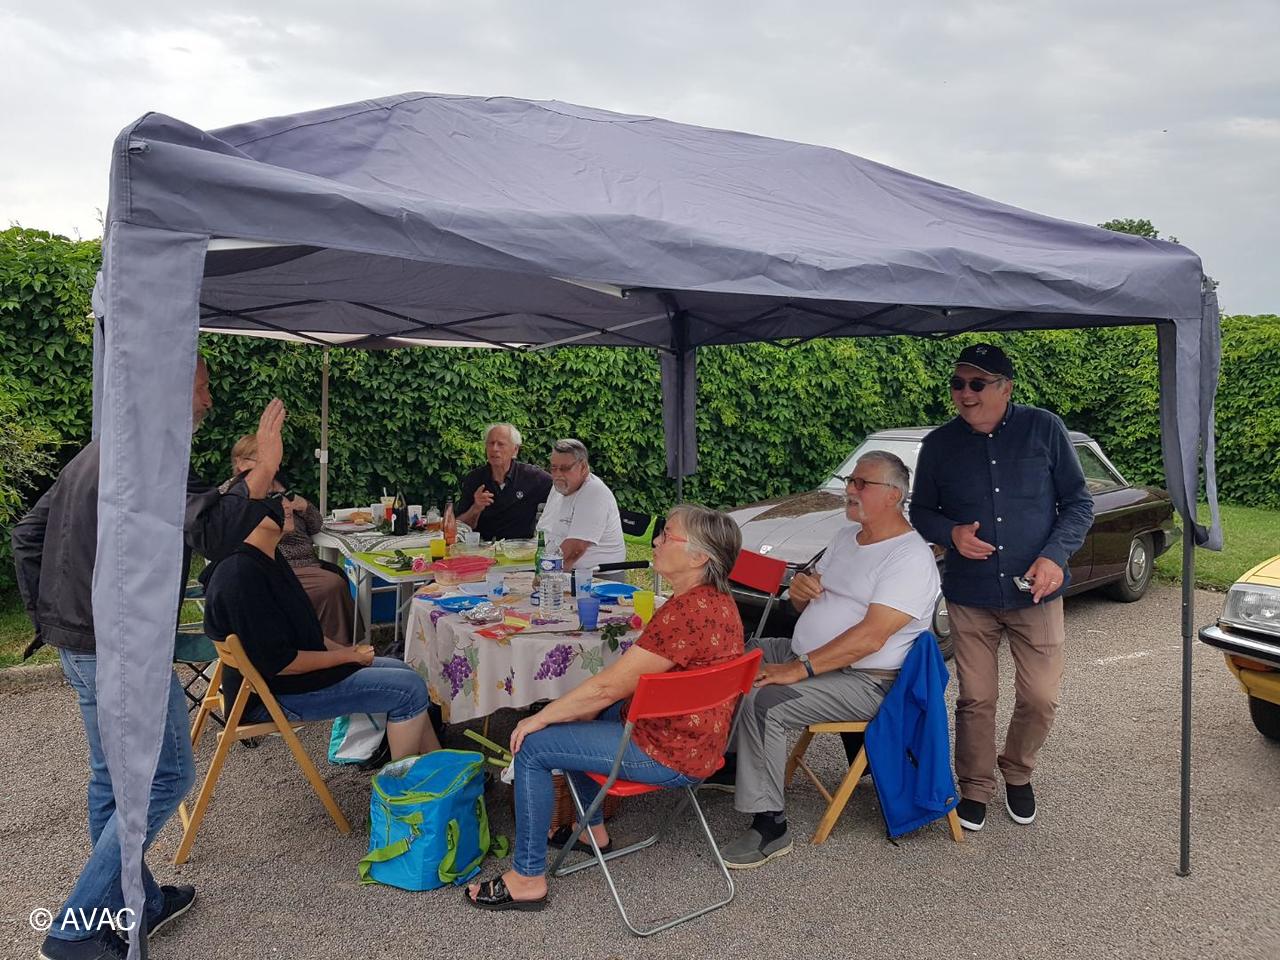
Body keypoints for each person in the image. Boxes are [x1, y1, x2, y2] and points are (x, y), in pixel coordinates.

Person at [11, 356, 285, 960]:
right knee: (167, 777)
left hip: (81, 646)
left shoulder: (104, 449)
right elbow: (211, 534)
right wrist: (264, 469)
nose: (208, 401)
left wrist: (52, 622)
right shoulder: (148, 455)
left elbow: (27, 536)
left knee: (111, 780)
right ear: (169, 385)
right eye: (202, 388)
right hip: (121, 649)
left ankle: (141, 901)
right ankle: (76, 930)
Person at [465, 504, 745, 910]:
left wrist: (538, 718)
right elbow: (609, 693)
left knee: (534, 745)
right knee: (582, 713)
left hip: (668, 752)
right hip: (698, 741)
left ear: (699, 556)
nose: (656, 541)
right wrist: (573, 710)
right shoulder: (719, 602)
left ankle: (527, 878)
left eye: (667, 534)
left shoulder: (685, 613)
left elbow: (608, 687)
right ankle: (590, 830)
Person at [714, 451, 940, 870]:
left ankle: (770, 825)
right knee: (727, 655)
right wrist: (800, 593)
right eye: (850, 481)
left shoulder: (909, 558)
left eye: (862, 484)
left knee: (766, 702)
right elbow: (806, 599)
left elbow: (871, 638)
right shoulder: (846, 537)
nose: (850, 490)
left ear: (893, 496)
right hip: (808, 654)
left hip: (866, 680)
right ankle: (732, 764)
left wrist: (798, 669)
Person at [910, 343, 1092, 832]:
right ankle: (974, 786)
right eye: (958, 383)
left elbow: (1079, 505)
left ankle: (1018, 771)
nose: (964, 393)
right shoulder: (939, 444)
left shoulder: (1044, 429)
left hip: (1036, 594)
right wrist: (951, 533)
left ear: (1005, 388)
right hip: (970, 595)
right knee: (976, 698)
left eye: (977, 383)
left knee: (1041, 698)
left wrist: (1054, 556)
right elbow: (921, 511)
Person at [202, 511, 442, 760]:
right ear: (249, 513)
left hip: (287, 682)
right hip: (271, 697)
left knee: (406, 672)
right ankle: (401, 782)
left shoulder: (267, 558)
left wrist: (344, 652)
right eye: (275, 498)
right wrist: (347, 657)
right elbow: (282, 664)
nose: (287, 505)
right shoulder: (241, 575)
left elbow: (307, 632)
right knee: (408, 689)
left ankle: (440, 766)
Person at [227, 434, 355, 645]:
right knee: (331, 585)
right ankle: (333, 647)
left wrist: (303, 505)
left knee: (336, 576)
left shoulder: (279, 485)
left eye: (273, 461)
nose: (271, 467)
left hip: (307, 563)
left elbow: (316, 524)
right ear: (240, 463)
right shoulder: (233, 496)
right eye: (261, 461)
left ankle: (333, 645)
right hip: (279, 565)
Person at [535, 438, 625, 575]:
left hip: (597, 577)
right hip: (559, 568)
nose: (557, 474)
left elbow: (574, 551)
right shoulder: (560, 486)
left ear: (583, 467)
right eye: (553, 468)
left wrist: (542, 576)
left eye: (565, 468)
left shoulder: (594, 493)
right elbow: (544, 530)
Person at [456, 423, 553, 541]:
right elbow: (460, 526)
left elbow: (561, 490)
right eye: (491, 443)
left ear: (515, 450)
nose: (494, 449)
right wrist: (476, 507)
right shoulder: (475, 479)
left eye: (500, 444)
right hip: (483, 547)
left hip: (520, 548)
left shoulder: (533, 477)